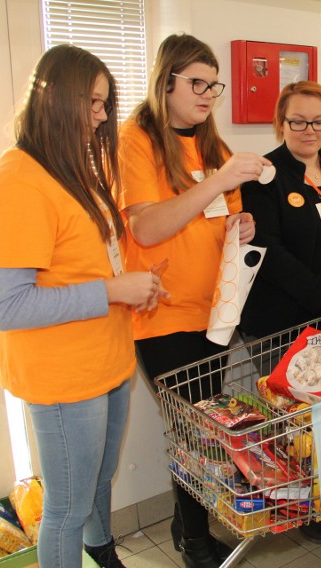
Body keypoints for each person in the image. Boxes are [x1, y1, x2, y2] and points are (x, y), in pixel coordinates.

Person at [0, 45, 163, 568]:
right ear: (55, 100)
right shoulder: (18, 182)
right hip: (63, 376)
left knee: (99, 481)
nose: (104, 116)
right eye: (94, 103)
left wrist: (135, 282)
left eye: (106, 103)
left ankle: (102, 552)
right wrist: (112, 291)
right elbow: (9, 307)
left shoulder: (72, 169)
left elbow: (86, 261)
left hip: (106, 358)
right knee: (66, 506)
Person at [118, 34, 269, 568]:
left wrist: (239, 222)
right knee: (191, 433)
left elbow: (218, 221)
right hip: (163, 311)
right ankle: (198, 544)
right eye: (197, 83)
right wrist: (221, 183)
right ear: (166, 83)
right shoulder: (136, 140)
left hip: (216, 312)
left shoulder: (213, 146)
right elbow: (150, 226)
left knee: (205, 429)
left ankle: (190, 529)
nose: (208, 94)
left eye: (214, 84)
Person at [238, 81, 321, 543]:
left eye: (319, 121)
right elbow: (270, 252)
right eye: (298, 120)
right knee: (295, 424)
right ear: (281, 123)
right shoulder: (264, 175)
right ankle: (306, 511)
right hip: (280, 322)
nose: (308, 129)